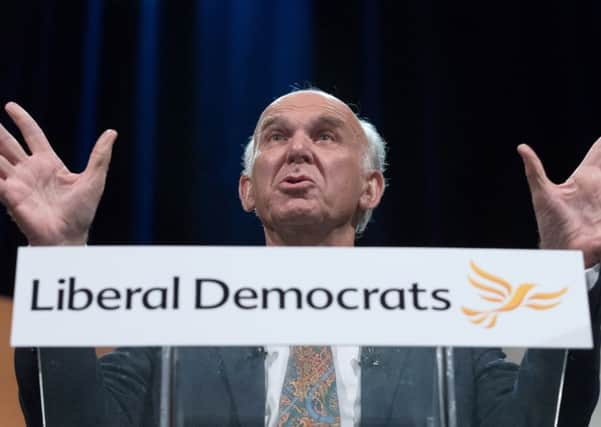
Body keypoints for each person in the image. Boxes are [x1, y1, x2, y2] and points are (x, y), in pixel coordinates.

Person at [2, 89, 600, 426]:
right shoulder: (171, 331)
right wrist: (56, 257)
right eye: (275, 136)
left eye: (326, 135)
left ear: (372, 188)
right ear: (247, 189)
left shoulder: (450, 340)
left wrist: (570, 275)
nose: (298, 150)